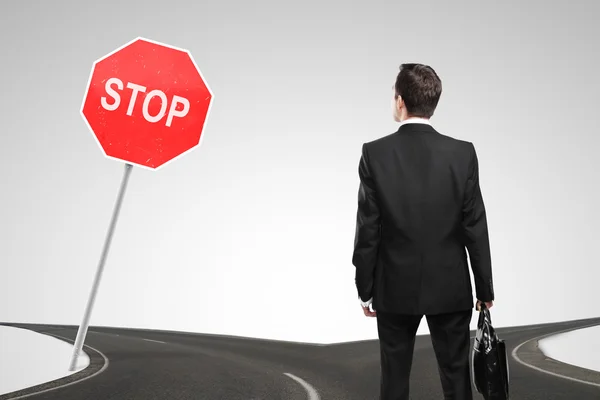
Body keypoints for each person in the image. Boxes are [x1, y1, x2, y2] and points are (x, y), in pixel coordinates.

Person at [352, 63, 495, 400]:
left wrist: (365, 287)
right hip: (450, 286)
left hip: (394, 286)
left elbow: (368, 228)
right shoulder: (462, 154)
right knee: (457, 380)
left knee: (394, 382)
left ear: (400, 101)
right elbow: (474, 223)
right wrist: (484, 287)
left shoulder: (375, 153)